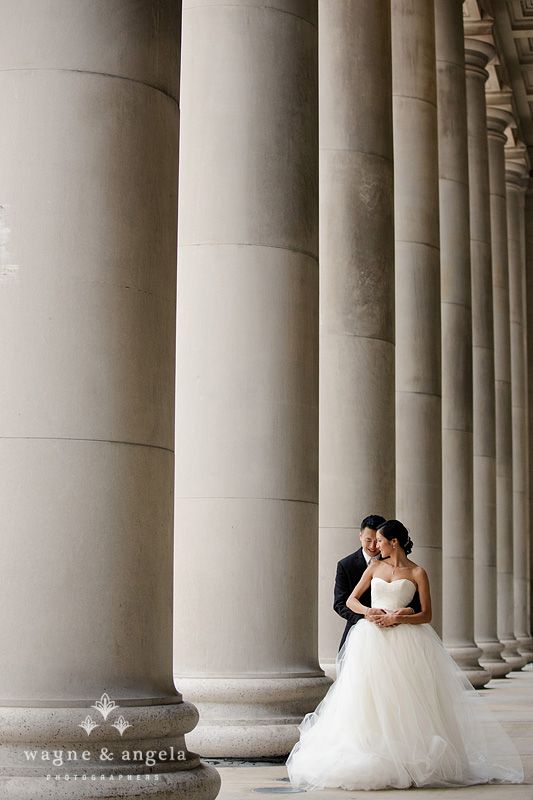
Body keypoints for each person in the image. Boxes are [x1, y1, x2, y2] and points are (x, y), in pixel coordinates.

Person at [287, 519, 524, 790]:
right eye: (373, 541)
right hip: (371, 639)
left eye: (380, 540)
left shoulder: (418, 572)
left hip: (407, 641)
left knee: (406, 699)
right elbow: (351, 599)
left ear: (394, 542)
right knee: (367, 699)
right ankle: (372, 755)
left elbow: (427, 614)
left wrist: (401, 617)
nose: (375, 545)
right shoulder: (374, 567)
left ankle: (409, 760)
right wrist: (369, 612)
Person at [334, 514, 420, 649]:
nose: (374, 546)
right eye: (368, 540)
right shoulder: (346, 565)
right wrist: (366, 616)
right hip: (362, 629)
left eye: (378, 540)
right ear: (360, 536)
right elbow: (340, 603)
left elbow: (416, 600)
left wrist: (406, 612)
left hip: (401, 631)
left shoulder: (409, 568)